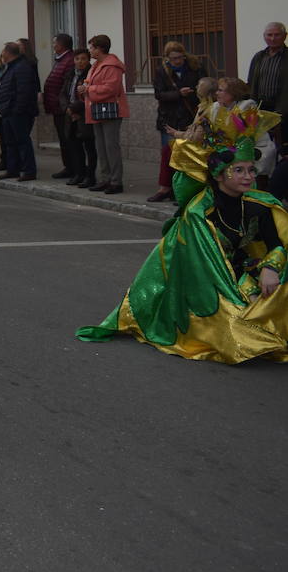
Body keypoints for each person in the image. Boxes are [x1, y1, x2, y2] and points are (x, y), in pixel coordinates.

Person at [76, 104, 287, 362]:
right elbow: (201, 268)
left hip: (246, 271)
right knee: (244, 333)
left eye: (251, 170)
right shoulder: (200, 214)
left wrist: (271, 269)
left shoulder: (259, 207)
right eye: (239, 170)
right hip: (208, 285)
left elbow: (277, 244)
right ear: (219, 175)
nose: (247, 177)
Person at [148, 41, 205, 202]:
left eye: (180, 57)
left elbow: (204, 89)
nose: (177, 61)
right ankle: (166, 188)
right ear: (167, 58)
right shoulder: (162, 71)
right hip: (169, 116)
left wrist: (190, 94)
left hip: (189, 116)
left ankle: (181, 189)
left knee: (185, 154)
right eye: (173, 59)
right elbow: (159, 94)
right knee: (168, 152)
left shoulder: (195, 68)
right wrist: (178, 93)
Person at [80, 34, 129, 194]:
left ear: (100, 48)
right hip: (96, 109)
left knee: (111, 146)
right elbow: (91, 84)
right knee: (100, 147)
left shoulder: (111, 66)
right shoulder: (96, 66)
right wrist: (84, 88)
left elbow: (110, 89)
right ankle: (105, 178)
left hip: (110, 110)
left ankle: (116, 181)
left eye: (92, 47)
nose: (90, 50)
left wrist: (88, 89)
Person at [0, 43, 39, 181]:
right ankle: (12, 169)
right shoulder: (10, 67)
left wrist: (16, 110)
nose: (1, 55)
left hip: (17, 113)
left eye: (3, 52)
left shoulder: (21, 68)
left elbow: (23, 92)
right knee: (10, 142)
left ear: (8, 53)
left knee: (22, 141)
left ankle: (29, 170)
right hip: (7, 111)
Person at [247, 21, 288, 146]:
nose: (273, 38)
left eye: (277, 35)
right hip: (260, 107)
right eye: (269, 35)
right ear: (264, 36)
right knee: (262, 144)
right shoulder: (259, 57)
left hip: (283, 108)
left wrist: (281, 111)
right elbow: (251, 82)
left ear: (285, 36)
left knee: (282, 145)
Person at [43, 34, 78, 179]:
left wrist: (65, 105)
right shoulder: (61, 60)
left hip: (63, 108)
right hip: (57, 106)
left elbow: (66, 86)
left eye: (54, 43)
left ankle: (75, 168)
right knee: (64, 140)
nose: (53, 46)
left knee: (69, 140)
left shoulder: (68, 60)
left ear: (61, 45)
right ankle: (68, 167)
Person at [62, 49, 98, 188]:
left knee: (90, 148)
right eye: (77, 59)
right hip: (71, 114)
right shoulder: (70, 74)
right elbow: (63, 94)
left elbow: (89, 96)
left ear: (88, 60)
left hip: (84, 115)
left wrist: (75, 108)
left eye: (83, 59)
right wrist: (68, 108)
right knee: (75, 147)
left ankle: (90, 176)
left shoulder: (91, 73)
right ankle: (79, 174)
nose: (80, 62)